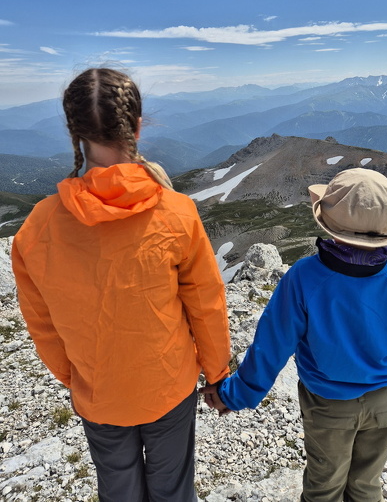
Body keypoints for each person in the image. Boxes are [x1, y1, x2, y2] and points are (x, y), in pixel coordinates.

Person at [12, 67, 231, 502]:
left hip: (98, 393)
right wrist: (218, 373)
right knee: (172, 488)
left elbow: (41, 323)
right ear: (135, 125)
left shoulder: (37, 228)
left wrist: (75, 377)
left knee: (118, 488)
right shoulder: (178, 212)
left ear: (75, 132)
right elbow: (206, 303)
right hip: (168, 386)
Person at [201, 168, 387, 502]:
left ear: (331, 226)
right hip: (385, 404)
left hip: (329, 405)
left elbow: (272, 347)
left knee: (324, 487)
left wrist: (234, 395)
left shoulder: (304, 277)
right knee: (367, 486)